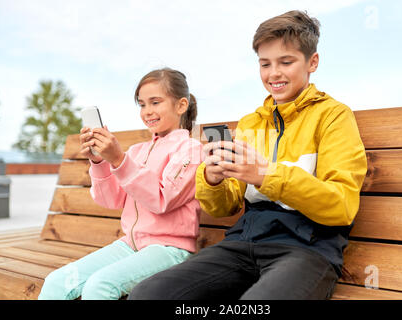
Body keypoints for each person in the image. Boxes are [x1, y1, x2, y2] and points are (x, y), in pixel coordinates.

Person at [129, 10, 367, 300]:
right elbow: (224, 207)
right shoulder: (251, 123)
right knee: (148, 294)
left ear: (312, 62)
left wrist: (266, 174)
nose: (273, 73)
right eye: (265, 64)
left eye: (286, 62)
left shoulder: (333, 116)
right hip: (244, 244)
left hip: (307, 249)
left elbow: (341, 206)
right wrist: (212, 179)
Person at [38, 68, 204, 300]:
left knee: (99, 286)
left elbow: (161, 200)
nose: (147, 112)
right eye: (142, 104)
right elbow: (111, 200)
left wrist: (118, 159)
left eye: (155, 102)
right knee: (56, 282)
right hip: (130, 245)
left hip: (169, 249)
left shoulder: (191, 150)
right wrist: (99, 161)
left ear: (181, 105)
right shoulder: (137, 151)